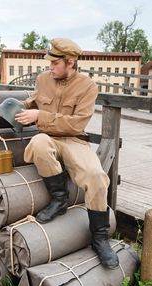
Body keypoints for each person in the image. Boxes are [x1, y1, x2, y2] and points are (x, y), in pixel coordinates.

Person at [15, 38, 119, 269]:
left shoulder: (88, 87)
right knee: (39, 142)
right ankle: (59, 199)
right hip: (48, 138)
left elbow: (76, 124)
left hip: (74, 140)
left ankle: (100, 238)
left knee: (96, 177)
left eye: (54, 63)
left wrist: (39, 116)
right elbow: (33, 104)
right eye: (49, 62)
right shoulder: (43, 79)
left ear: (70, 62)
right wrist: (17, 108)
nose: (49, 67)